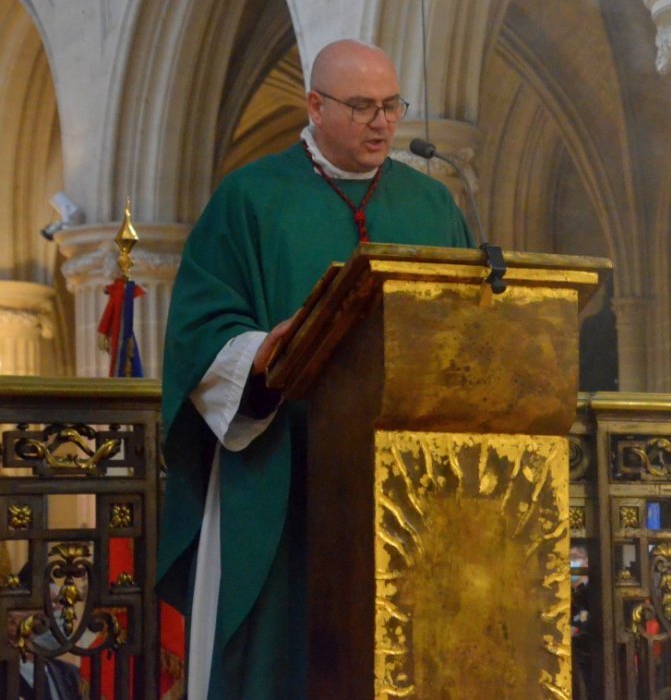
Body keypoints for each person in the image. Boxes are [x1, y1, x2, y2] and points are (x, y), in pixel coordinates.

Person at [155, 39, 472, 699]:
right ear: (315, 105)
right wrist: (262, 349)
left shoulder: (433, 206)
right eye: (361, 107)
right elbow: (198, 330)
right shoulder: (251, 198)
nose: (383, 122)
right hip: (285, 466)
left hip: (408, 475)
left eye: (391, 105)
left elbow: (466, 323)